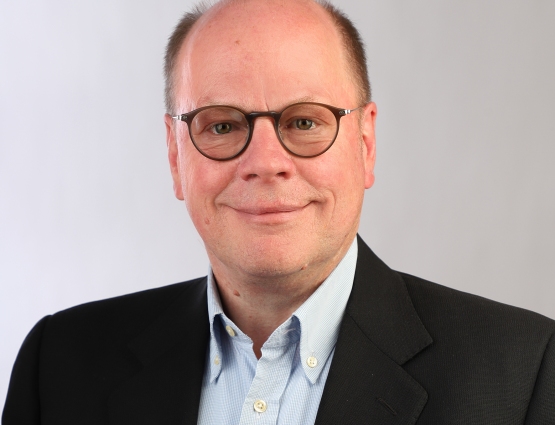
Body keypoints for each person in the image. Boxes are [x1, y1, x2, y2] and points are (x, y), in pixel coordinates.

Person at [3, 0, 554, 423]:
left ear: (365, 144)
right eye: (222, 125)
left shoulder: (523, 375)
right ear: (175, 156)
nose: (266, 163)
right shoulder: (59, 366)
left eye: (305, 122)